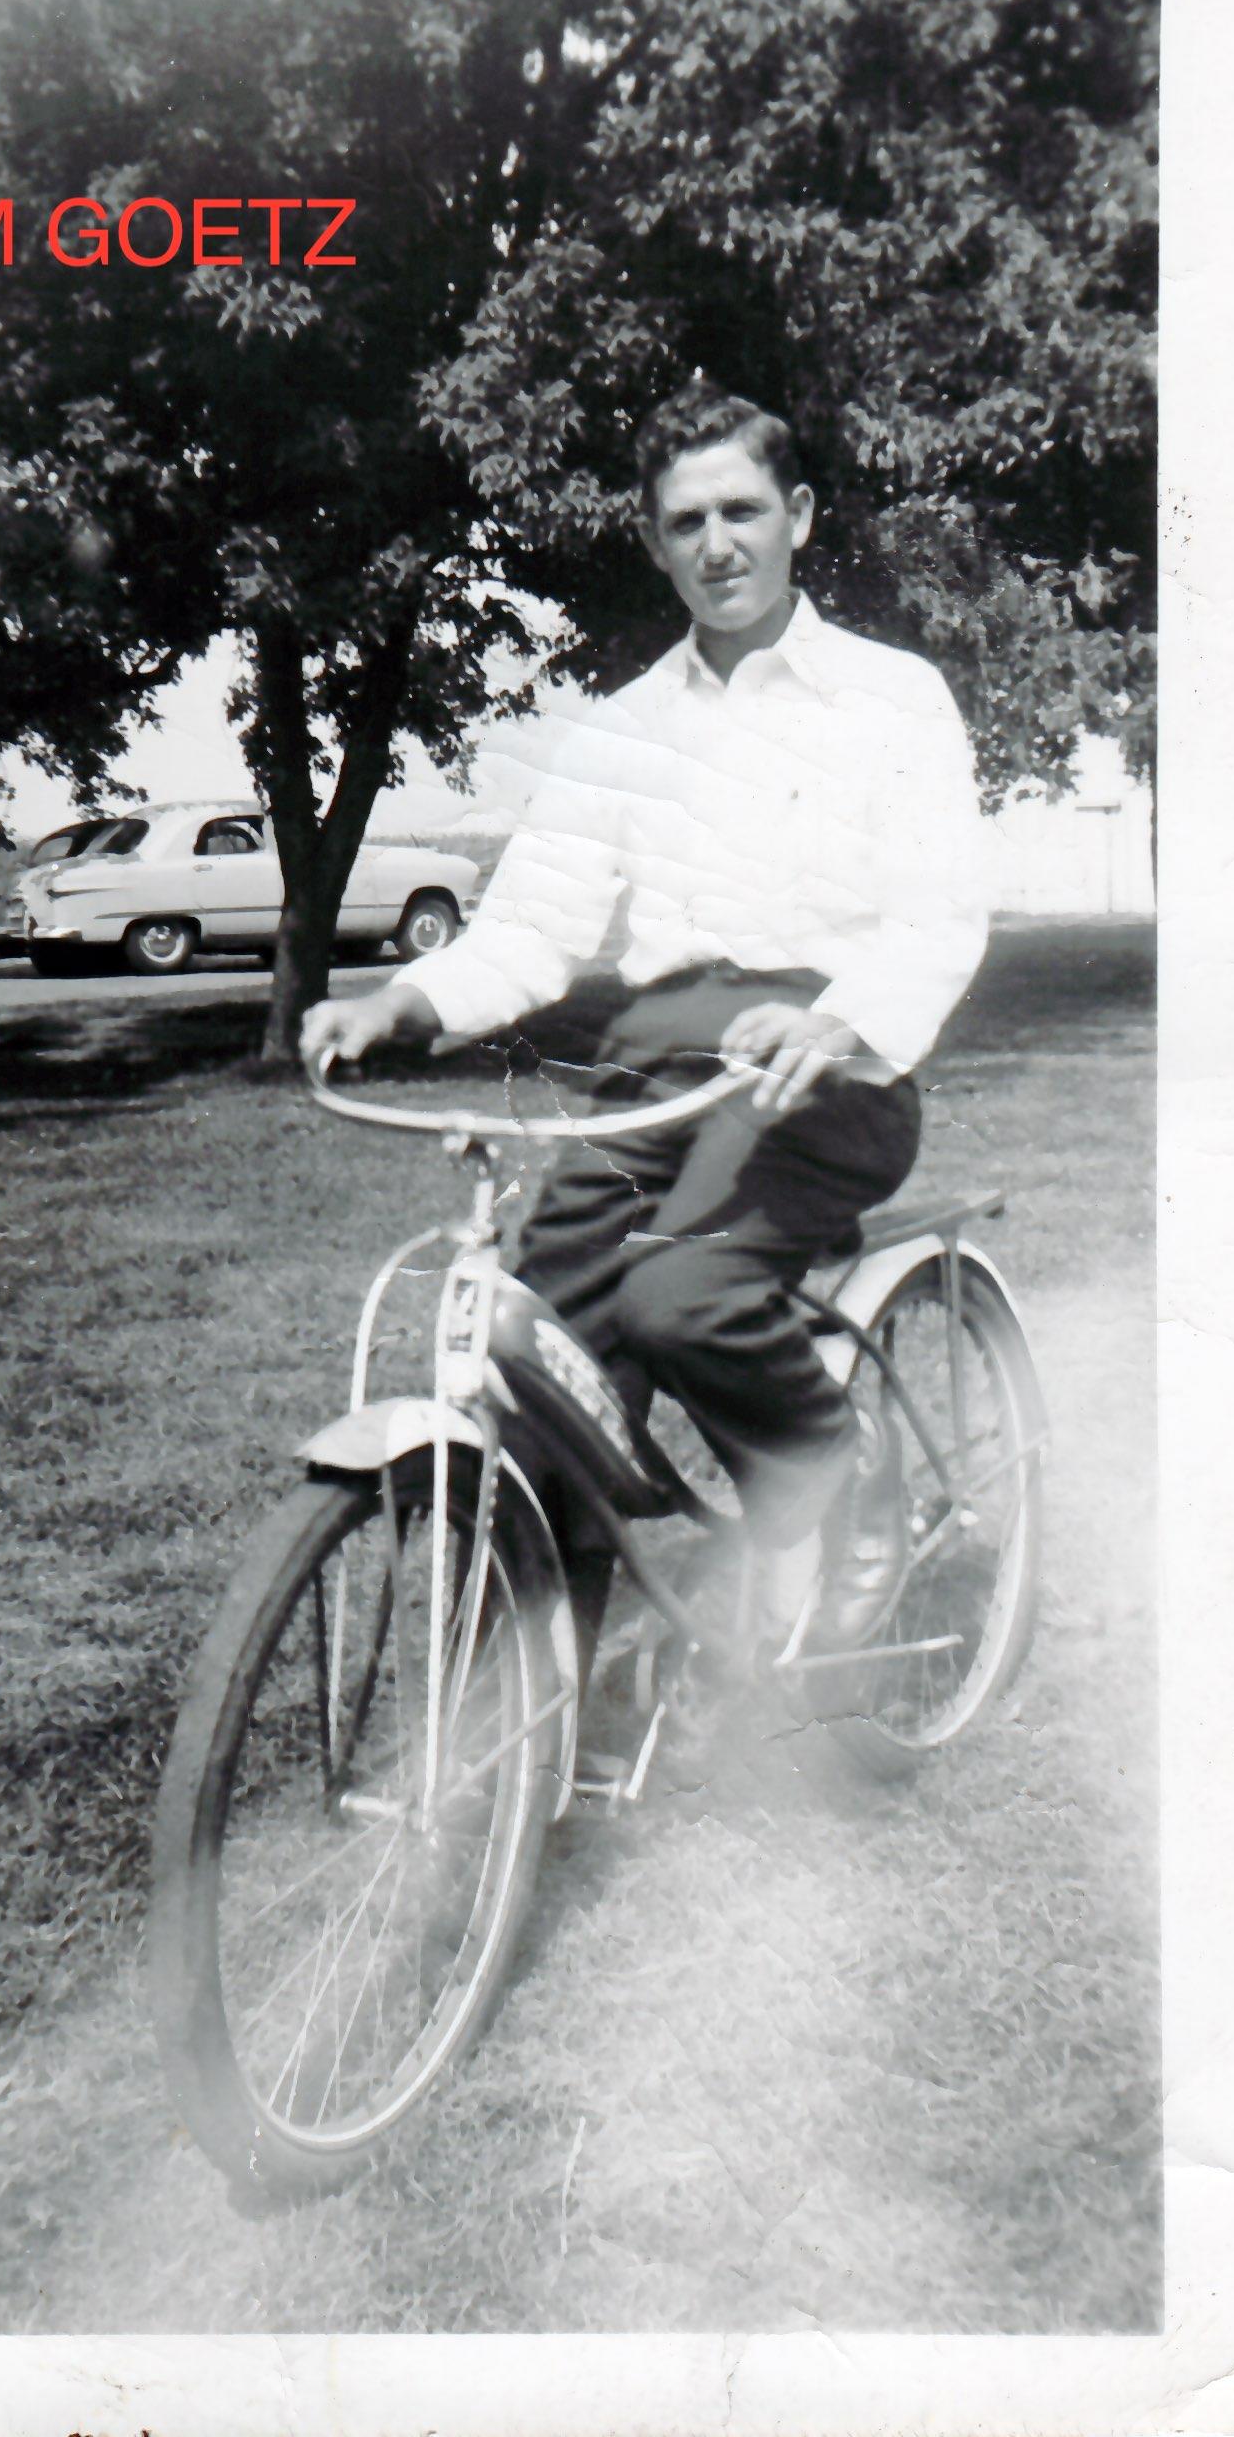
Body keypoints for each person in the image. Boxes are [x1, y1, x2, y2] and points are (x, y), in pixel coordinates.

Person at [301, 380, 988, 1661]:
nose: (716, 544)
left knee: (681, 1292)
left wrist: (838, 1025)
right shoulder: (621, 729)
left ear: (800, 517)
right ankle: (531, 1703)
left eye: (742, 511)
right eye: (686, 522)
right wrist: (404, 998)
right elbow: (534, 927)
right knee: (547, 1348)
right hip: (652, 1078)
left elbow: (939, 916)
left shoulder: (891, 699)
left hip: (817, 1073)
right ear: (653, 540)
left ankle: (846, 1489)